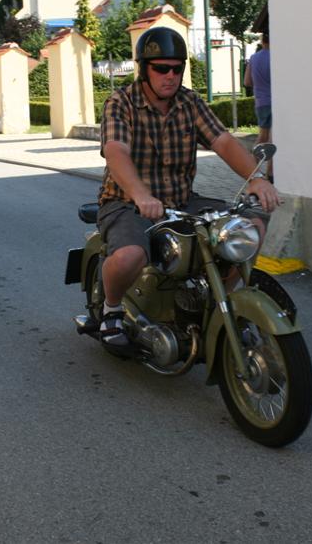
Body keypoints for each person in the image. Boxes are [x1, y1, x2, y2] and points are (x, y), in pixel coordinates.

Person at [95, 27, 280, 349]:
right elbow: (116, 151)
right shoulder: (120, 102)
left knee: (249, 227)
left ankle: (219, 302)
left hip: (181, 201)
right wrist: (140, 194)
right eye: (161, 68)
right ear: (144, 69)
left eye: (177, 68)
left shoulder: (189, 102)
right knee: (129, 256)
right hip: (126, 201)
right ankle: (110, 309)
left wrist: (257, 179)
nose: (170, 75)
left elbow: (223, 141)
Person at [243, 31, 272, 178]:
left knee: (262, 137)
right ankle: (271, 172)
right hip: (275, 101)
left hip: (261, 101)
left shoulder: (254, 58)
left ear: (262, 41)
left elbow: (247, 82)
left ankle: (252, 170)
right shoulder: (276, 57)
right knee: (274, 139)